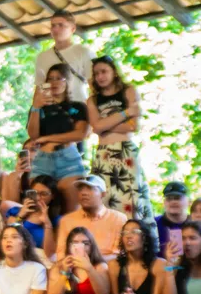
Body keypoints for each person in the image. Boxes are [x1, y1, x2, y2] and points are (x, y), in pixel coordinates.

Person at [87, 55, 156, 235]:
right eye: (96, 74)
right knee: (104, 197)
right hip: (104, 154)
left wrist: (106, 123)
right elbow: (96, 127)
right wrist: (126, 112)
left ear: (114, 72)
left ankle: (136, 238)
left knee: (131, 198)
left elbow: (133, 126)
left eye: (104, 71)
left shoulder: (129, 91)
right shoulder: (92, 100)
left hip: (126, 152)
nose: (100, 76)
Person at [28, 63, 89, 212]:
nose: (54, 82)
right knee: (37, 208)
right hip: (43, 159)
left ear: (67, 81)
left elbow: (80, 134)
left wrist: (47, 138)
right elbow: (33, 135)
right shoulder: (39, 108)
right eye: (50, 79)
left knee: (71, 211)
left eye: (58, 78)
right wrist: (35, 106)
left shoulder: (78, 107)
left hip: (68, 159)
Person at [56, 175, 127, 262]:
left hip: (106, 269)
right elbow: (61, 254)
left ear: (103, 194)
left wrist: (91, 262)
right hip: (74, 268)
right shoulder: (67, 220)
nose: (83, 193)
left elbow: (119, 254)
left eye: (90, 188)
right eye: (80, 189)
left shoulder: (118, 219)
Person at [33, 9, 94, 107]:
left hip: (79, 108)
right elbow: (39, 89)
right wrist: (35, 110)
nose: (56, 29)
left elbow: (94, 86)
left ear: (73, 29)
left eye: (61, 25)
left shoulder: (83, 52)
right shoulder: (42, 57)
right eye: (53, 25)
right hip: (52, 110)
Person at [5, 174, 60, 260]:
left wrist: (47, 223)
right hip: (16, 256)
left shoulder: (57, 220)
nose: (38, 198)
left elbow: (50, 253)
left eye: (44, 194)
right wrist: (20, 216)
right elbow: (8, 236)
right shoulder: (15, 211)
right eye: (34, 193)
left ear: (52, 196)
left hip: (40, 259)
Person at [156, 181, 190, 260]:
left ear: (188, 201)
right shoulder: (153, 224)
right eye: (169, 199)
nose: (173, 202)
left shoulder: (196, 225)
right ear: (164, 202)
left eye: (177, 198)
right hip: (160, 270)